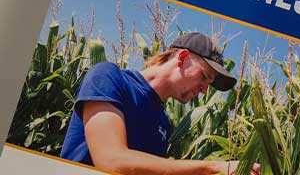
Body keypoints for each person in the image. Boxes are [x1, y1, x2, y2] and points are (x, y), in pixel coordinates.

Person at [60, 32, 259, 175]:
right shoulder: (110, 78)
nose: (204, 90)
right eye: (204, 76)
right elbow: (112, 162)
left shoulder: (163, 123)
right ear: (182, 57)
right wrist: (212, 167)